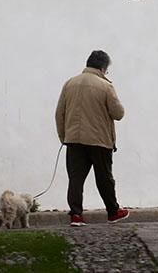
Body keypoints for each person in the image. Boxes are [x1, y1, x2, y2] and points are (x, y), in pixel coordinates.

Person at [55, 50, 129, 226]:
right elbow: (118, 113)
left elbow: (59, 113)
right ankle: (113, 212)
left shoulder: (69, 84)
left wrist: (64, 137)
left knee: (75, 179)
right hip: (99, 141)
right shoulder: (105, 86)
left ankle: (76, 215)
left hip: (74, 140)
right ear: (103, 68)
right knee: (104, 178)